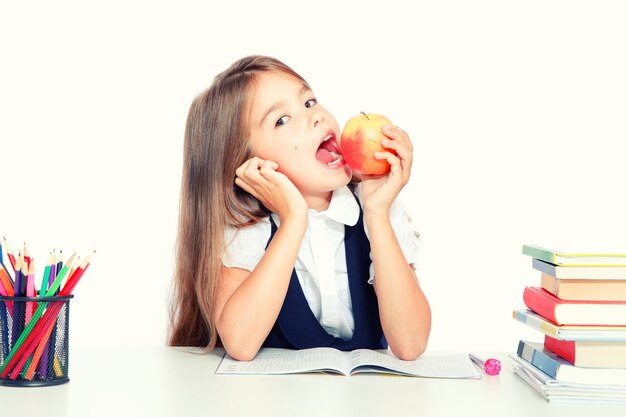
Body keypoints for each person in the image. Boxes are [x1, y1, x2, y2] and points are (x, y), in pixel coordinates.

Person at [169, 55, 431, 361]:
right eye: (281, 119)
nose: (314, 116)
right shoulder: (248, 227)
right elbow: (240, 344)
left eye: (309, 102)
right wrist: (293, 220)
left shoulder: (379, 207)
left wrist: (377, 214)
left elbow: (411, 344)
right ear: (249, 163)